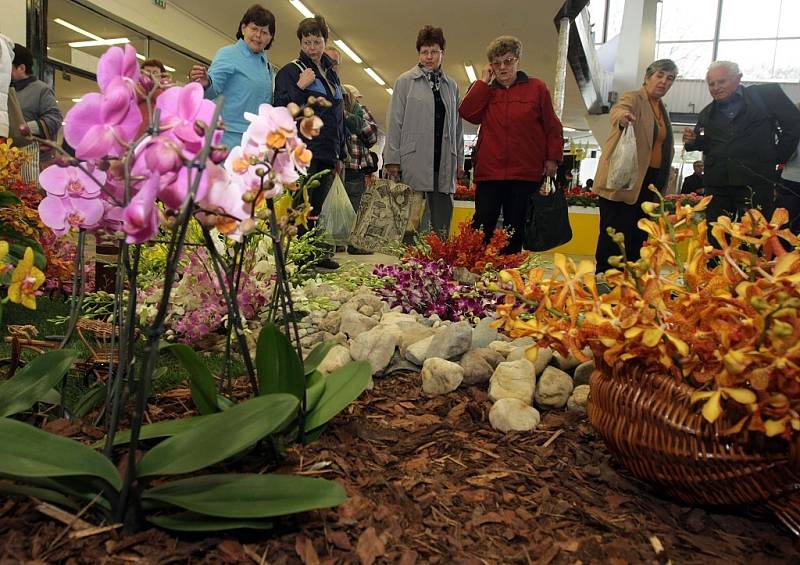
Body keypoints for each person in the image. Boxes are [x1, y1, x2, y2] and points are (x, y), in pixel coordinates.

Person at [459, 35, 563, 253]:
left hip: (524, 172)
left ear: (517, 60)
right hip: (490, 172)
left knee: (514, 226)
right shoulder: (485, 90)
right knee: (482, 223)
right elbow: (468, 113)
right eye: (497, 63)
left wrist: (552, 158)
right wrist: (482, 83)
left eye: (508, 61)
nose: (502, 67)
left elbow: (552, 126)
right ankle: (474, 267)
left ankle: (508, 272)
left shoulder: (536, 88)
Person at [683, 60, 800, 225]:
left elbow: (794, 123)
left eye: (721, 81)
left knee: (756, 236)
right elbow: (708, 145)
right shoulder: (707, 113)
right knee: (717, 235)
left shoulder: (766, 95)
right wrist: (694, 141)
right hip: (718, 185)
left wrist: (779, 156)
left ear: (738, 79)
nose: (716, 87)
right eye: (711, 84)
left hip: (755, 182)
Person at [592, 59, 678, 274]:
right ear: (647, 78)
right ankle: (605, 276)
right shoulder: (634, 97)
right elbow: (619, 109)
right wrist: (623, 118)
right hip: (624, 178)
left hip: (650, 182)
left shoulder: (662, 108)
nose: (663, 82)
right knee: (613, 231)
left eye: (670, 79)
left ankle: (630, 279)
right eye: (659, 76)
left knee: (638, 234)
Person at [274, 15, 346, 271]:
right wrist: (300, 87)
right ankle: (293, 257)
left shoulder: (331, 74)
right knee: (299, 206)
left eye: (317, 41)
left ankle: (311, 253)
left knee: (316, 207)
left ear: (325, 42)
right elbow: (281, 110)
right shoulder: (291, 71)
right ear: (301, 43)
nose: (312, 47)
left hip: (328, 150)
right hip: (303, 150)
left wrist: (341, 153)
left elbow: (338, 116)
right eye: (307, 42)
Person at [385, 25, 464, 238]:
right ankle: (409, 262)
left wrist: (460, 161)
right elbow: (394, 122)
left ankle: (439, 260)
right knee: (411, 216)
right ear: (419, 53)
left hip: (444, 160)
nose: (429, 57)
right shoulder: (405, 82)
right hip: (414, 158)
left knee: (441, 217)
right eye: (424, 52)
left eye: (434, 51)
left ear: (442, 54)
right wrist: (392, 158)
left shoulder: (451, 86)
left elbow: (457, 126)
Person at [189, 4, 276, 150]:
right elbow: (213, 90)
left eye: (264, 32)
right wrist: (206, 82)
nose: (258, 36)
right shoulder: (228, 54)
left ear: (270, 38)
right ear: (243, 28)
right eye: (254, 29)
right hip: (226, 137)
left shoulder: (267, 65)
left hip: (254, 140)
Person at [341, 83, 378, 255]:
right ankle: (351, 243)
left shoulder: (354, 112)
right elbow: (372, 136)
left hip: (349, 167)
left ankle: (341, 241)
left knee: (348, 206)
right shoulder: (358, 111)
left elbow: (372, 137)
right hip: (351, 166)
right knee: (354, 207)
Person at [11, 44, 63, 161]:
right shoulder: (5, 89)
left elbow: (55, 118)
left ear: (22, 68)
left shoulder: (41, 89)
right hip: (8, 160)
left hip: (32, 160)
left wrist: (24, 129)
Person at [777, 103, 800, 236]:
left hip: (789, 180)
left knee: (786, 224)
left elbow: (783, 156)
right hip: (790, 180)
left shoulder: (789, 131)